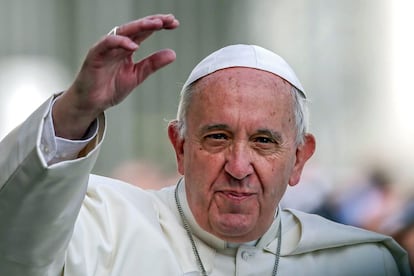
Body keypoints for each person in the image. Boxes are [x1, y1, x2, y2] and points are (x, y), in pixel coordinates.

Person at [0, 14, 410, 276]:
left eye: (264, 141)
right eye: (217, 137)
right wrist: (77, 109)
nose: (238, 165)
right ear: (179, 148)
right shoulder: (98, 228)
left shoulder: (363, 262)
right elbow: (17, 249)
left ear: (299, 158)